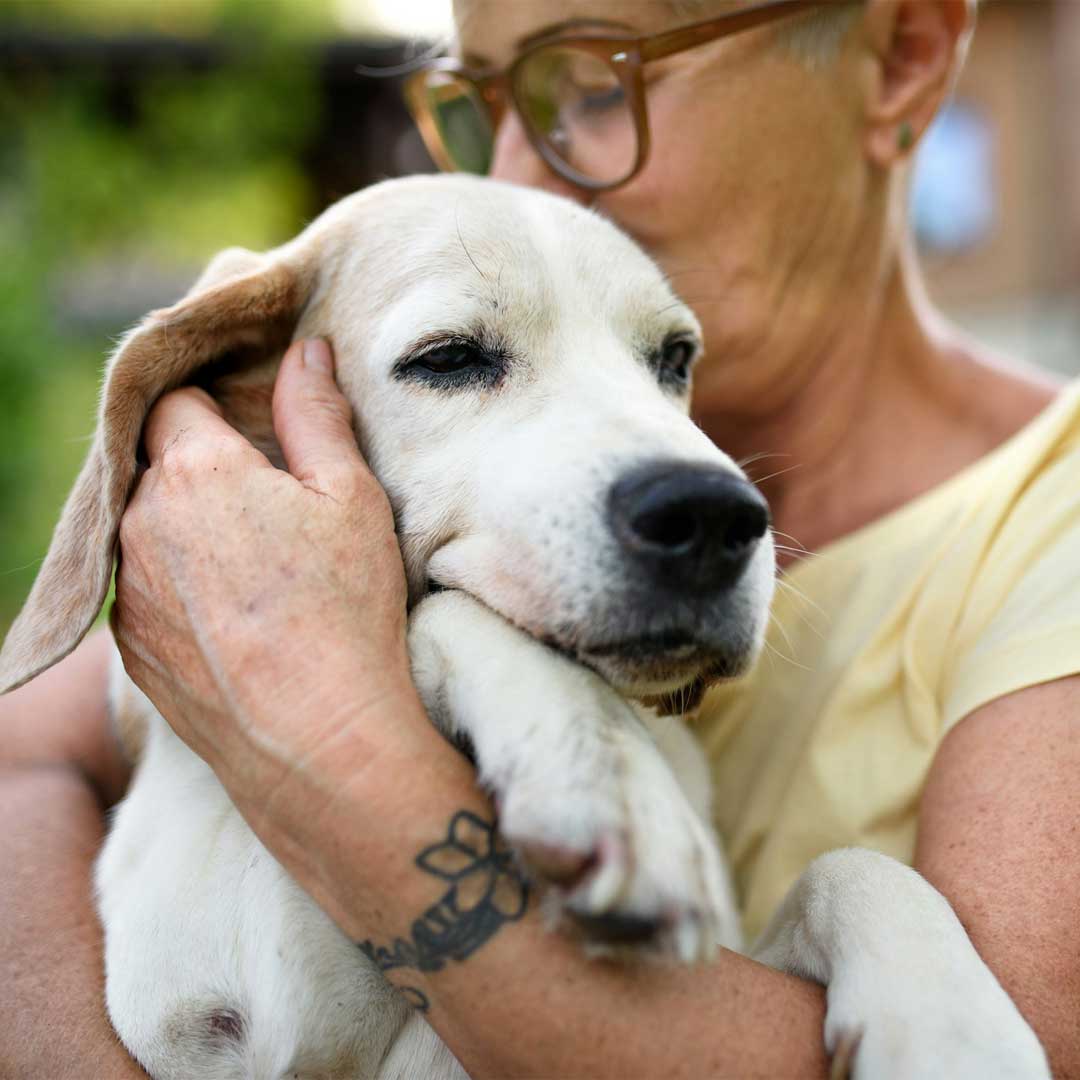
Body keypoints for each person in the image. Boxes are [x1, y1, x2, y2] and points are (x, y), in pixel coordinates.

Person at [3, 0, 1078, 1076]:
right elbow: (16, 751)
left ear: (901, 53)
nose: (518, 170)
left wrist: (331, 738)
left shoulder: (1048, 524)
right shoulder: (305, 546)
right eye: (482, 101)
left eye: (600, 83)